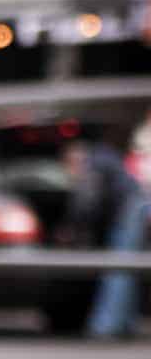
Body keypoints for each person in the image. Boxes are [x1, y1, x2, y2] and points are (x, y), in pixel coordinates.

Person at [63, 139, 150, 339]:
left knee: (118, 269)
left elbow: (87, 201)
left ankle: (106, 326)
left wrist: (74, 227)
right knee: (128, 270)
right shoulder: (103, 154)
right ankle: (124, 323)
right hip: (135, 206)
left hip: (130, 209)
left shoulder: (93, 162)